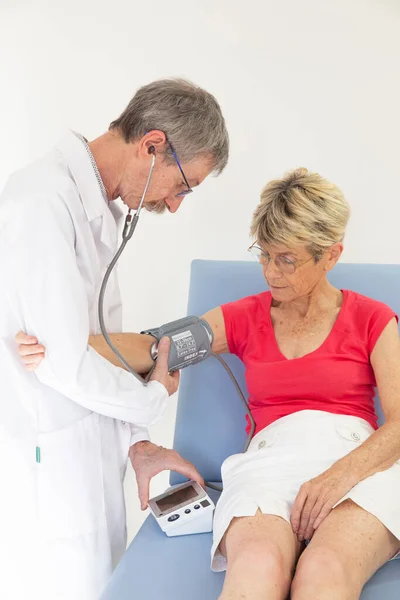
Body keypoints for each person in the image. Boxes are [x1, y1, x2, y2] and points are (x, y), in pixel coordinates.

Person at [20, 167, 400, 599]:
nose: (270, 272)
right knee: (257, 567)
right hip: (269, 465)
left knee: (324, 573)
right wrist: (57, 343)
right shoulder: (246, 316)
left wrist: (336, 477)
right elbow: (152, 347)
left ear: (331, 255)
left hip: (356, 465)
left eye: (287, 260)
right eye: (264, 254)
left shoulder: (372, 318)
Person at [0, 77, 229, 600]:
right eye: (183, 185)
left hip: (87, 451)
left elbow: (99, 349)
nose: (175, 206)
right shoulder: (41, 201)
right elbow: (64, 361)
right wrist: (154, 397)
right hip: (47, 458)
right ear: (152, 146)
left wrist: (137, 443)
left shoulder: (99, 210)